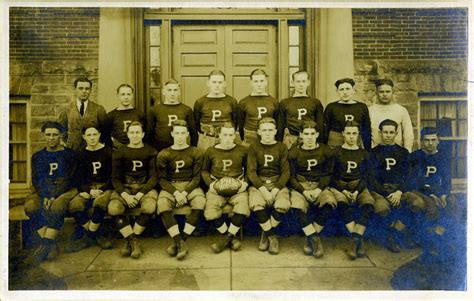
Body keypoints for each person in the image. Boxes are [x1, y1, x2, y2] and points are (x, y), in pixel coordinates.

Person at [24, 121, 79, 266]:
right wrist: (46, 195)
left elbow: (71, 179)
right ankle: (49, 243)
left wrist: (53, 196)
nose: (51, 138)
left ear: (61, 135)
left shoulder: (70, 155)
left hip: (65, 191)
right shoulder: (38, 156)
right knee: (30, 206)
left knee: (56, 206)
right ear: (44, 135)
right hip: (44, 191)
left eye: (55, 134)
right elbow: (37, 180)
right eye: (48, 134)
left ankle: (44, 247)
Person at [368, 119, 425, 253]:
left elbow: (409, 176)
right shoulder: (373, 153)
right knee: (381, 207)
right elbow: (370, 177)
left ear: (396, 133)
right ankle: (390, 236)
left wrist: (399, 191)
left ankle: (395, 232)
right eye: (385, 132)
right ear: (380, 133)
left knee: (418, 203)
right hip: (380, 190)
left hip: (399, 190)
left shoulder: (404, 153)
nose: (388, 135)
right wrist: (385, 192)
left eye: (391, 132)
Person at [156, 120, 206, 260]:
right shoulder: (164, 154)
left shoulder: (196, 152)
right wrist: (176, 192)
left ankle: (179, 241)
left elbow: (197, 178)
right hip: (171, 186)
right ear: (172, 134)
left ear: (188, 134)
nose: (179, 136)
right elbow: (162, 179)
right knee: (162, 205)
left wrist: (184, 192)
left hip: (190, 186)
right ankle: (180, 242)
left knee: (200, 202)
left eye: (182, 133)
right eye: (177, 133)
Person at [108, 121, 158, 259]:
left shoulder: (151, 151)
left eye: (137, 132)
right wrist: (126, 196)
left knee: (149, 207)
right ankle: (132, 240)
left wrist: (142, 193)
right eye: (132, 132)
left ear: (142, 134)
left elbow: (154, 177)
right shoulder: (119, 152)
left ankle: (132, 239)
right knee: (113, 208)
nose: (135, 135)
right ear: (128, 134)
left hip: (144, 187)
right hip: (125, 187)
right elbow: (115, 179)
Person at [328, 121, 376, 259]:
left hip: (359, 186)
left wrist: (356, 191)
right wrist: (343, 190)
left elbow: (367, 176)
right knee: (342, 204)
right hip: (340, 186)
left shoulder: (363, 153)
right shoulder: (336, 152)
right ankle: (358, 242)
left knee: (368, 205)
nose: (351, 136)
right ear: (343, 134)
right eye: (348, 133)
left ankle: (355, 239)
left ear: (358, 135)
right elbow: (331, 176)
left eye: (354, 133)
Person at [288, 120, 336, 258]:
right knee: (296, 206)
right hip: (300, 186)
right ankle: (314, 238)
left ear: (317, 134)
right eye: (306, 134)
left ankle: (310, 236)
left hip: (319, 185)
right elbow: (291, 177)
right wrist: (303, 191)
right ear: (301, 135)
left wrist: (318, 189)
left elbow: (328, 174)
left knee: (329, 203)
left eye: (312, 134)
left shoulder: (326, 150)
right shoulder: (294, 152)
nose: (309, 137)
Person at [64, 126, 114, 253]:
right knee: (75, 205)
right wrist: (87, 190)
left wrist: (102, 189)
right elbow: (77, 177)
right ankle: (96, 234)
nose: (92, 138)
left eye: (95, 134)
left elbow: (114, 176)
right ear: (84, 137)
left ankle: (87, 237)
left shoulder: (109, 152)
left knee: (100, 203)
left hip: (105, 186)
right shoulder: (80, 155)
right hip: (88, 187)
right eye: (89, 135)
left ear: (99, 135)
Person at [202, 122, 250, 253]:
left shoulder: (242, 150)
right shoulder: (211, 151)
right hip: (217, 187)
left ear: (234, 135)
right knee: (210, 213)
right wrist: (210, 184)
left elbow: (249, 170)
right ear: (219, 135)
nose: (228, 138)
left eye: (230, 135)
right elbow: (204, 171)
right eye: (225, 135)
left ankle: (225, 239)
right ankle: (230, 237)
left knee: (243, 208)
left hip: (237, 186)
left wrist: (244, 184)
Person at [247, 117, 290, 255]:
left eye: (270, 130)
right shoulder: (254, 147)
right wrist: (263, 189)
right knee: (257, 204)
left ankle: (265, 233)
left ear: (275, 131)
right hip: (259, 183)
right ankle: (272, 235)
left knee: (282, 205)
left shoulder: (281, 147)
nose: (267, 133)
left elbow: (285, 172)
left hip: (277, 182)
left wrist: (277, 188)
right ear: (259, 132)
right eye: (264, 130)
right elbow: (251, 172)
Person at [408, 127, 453, 260]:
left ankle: (440, 235)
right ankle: (427, 239)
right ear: (421, 141)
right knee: (429, 205)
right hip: (419, 190)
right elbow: (413, 180)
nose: (430, 143)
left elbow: (447, 180)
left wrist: (444, 194)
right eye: (426, 140)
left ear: (438, 141)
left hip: (437, 191)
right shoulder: (415, 156)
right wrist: (432, 194)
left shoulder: (443, 157)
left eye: (433, 140)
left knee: (452, 204)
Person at [146, 79, 197, 152]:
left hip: (181, 150)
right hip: (160, 150)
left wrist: (191, 151)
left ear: (179, 92)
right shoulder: (154, 110)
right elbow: (149, 134)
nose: (172, 93)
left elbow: (193, 133)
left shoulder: (187, 110)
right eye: (169, 90)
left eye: (175, 90)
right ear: (163, 92)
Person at [58, 77, 108, 151]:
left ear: (91, 90)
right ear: (75, 89)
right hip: (73, 149)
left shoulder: (99, 109)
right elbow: (62, 129)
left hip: (92, 149)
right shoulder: (66, 109)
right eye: (81, 88)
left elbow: (104, 130)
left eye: (87, 89)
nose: (84, 91)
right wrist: (69, 142)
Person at [194, 69, 239, 150]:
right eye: (214, 82)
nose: (217, 85)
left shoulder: (231, 101)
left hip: (226, 138)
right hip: (207, 138)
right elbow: (196, 123)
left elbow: (235, 121)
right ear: (208, 83)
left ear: (225, 84)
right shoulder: (200, 102)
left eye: (220, 82)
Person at [279, 70, 324, 149]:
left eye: (303, 81)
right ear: (292, 83)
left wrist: (319, 143)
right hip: (290, 139)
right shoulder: (285, 102)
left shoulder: (315, 102)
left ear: (308, 82)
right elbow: (280, 125)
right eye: (298, 81)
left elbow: (319, 125)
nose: (301, 84)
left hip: (309, 138)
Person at [323, 78, 371, 150]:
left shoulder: (361, 107)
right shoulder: (331, 107)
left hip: (355, 143)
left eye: (348, 89)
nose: (345, 92)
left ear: (353, 90)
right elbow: (325, 130)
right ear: (337, 91)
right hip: (335, 144)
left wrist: (367, 149)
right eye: (341, 89)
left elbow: (366, 129)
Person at [369, 79, 414, 152]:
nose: (385, 94)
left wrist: (407, 151)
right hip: (377, 154)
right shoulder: (370, 111)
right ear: (376, 93)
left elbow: (408, 133)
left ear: (393, 92)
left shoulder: (401, 110)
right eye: (381, 92)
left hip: (397, 153)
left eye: (387, 91)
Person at [238, 69, 280, 146]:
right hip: (250, 137)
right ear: (251, 83)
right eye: (256, 81)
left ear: (266, 82)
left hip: (268, 136)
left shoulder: (274, 102)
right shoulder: (244, 102)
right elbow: (241, 124)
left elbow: (277, 122)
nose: (259, 84)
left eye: (261, 81)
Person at [105, 84, 146, 150]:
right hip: (117, 150)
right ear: (118, 96)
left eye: (128, 94)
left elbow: (145, 135)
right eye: (123, 94)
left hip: (136, 149)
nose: (126, 97)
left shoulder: (140, 114)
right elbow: (106, 136)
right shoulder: (110, 115)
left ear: (132, 96)